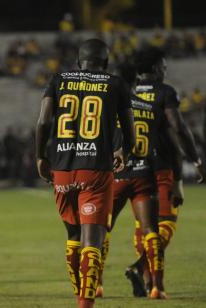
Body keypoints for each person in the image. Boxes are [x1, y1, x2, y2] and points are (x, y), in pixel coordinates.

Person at [35, 38, 135, 308]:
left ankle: (79, 289)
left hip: (62, 170)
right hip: (95, 170)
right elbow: (129, 129)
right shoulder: (115, 84)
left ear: (79, 62)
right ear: (105, 62)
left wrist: (40, 156)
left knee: (73, 236)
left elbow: (43, 121)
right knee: (93, 238)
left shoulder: (58, 79)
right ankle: (85, 302)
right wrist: (124, 151)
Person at [124, 47, 203, 299]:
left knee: (143, 227)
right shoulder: (165, 92)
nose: (165, 71)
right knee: (164, 223)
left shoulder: (127, 92)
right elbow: (178, 128)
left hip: (133, 167)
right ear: (157, 68)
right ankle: (141, 269)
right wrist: (196, 159)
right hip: (161, 166)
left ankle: (150, 283)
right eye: (164, 67)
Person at [95, 63, 163, 298]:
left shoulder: (110, 107)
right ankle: (157, 287)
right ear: (135, 82)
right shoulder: (149, 106)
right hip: (144, 173)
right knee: (150, 231)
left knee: (101, 230)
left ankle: (97, 284)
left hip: (116, 175)